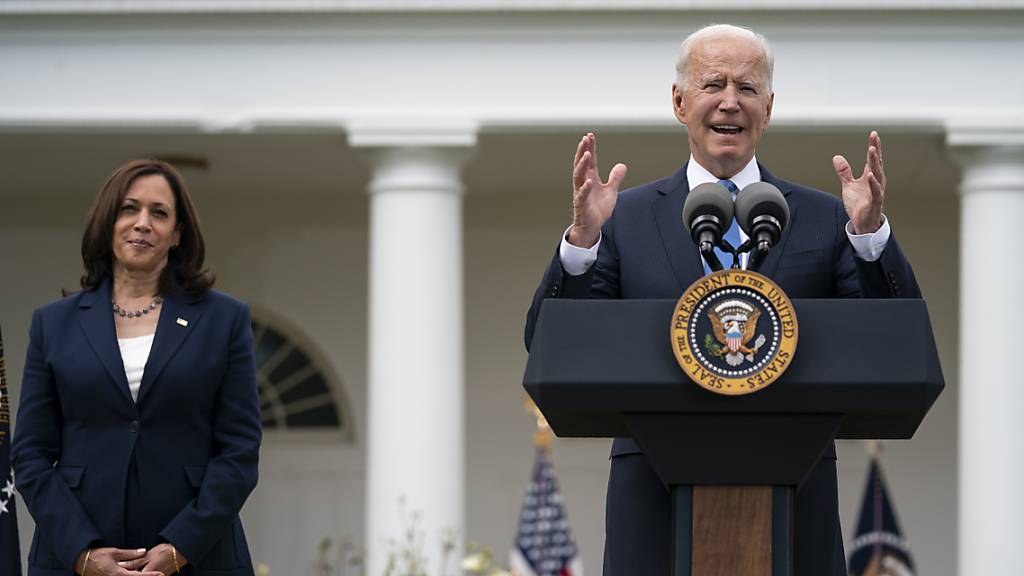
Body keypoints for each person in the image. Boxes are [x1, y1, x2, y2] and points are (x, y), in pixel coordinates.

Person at [525, 24, 920, 576]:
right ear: (679, 101)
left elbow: (889, 341)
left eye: (748, 88)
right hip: (653, 495)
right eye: (714, 84)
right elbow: (550, 343)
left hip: (795, 493)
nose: (730, 102)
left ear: (770, 106)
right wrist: (583, 243)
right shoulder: (625, 218)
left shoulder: (825, 217)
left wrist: (871, 238)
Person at [13, 159, 262, 576]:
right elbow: (31, 453)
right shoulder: (53, 323)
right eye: (129, 209)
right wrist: (82, 554)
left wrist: (180, 547)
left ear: (178, 234)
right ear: (107, 223)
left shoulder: (225, 320)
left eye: (159, 213)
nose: (142, 223)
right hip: (74, 557)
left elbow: (239, 451)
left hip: (200, 557)